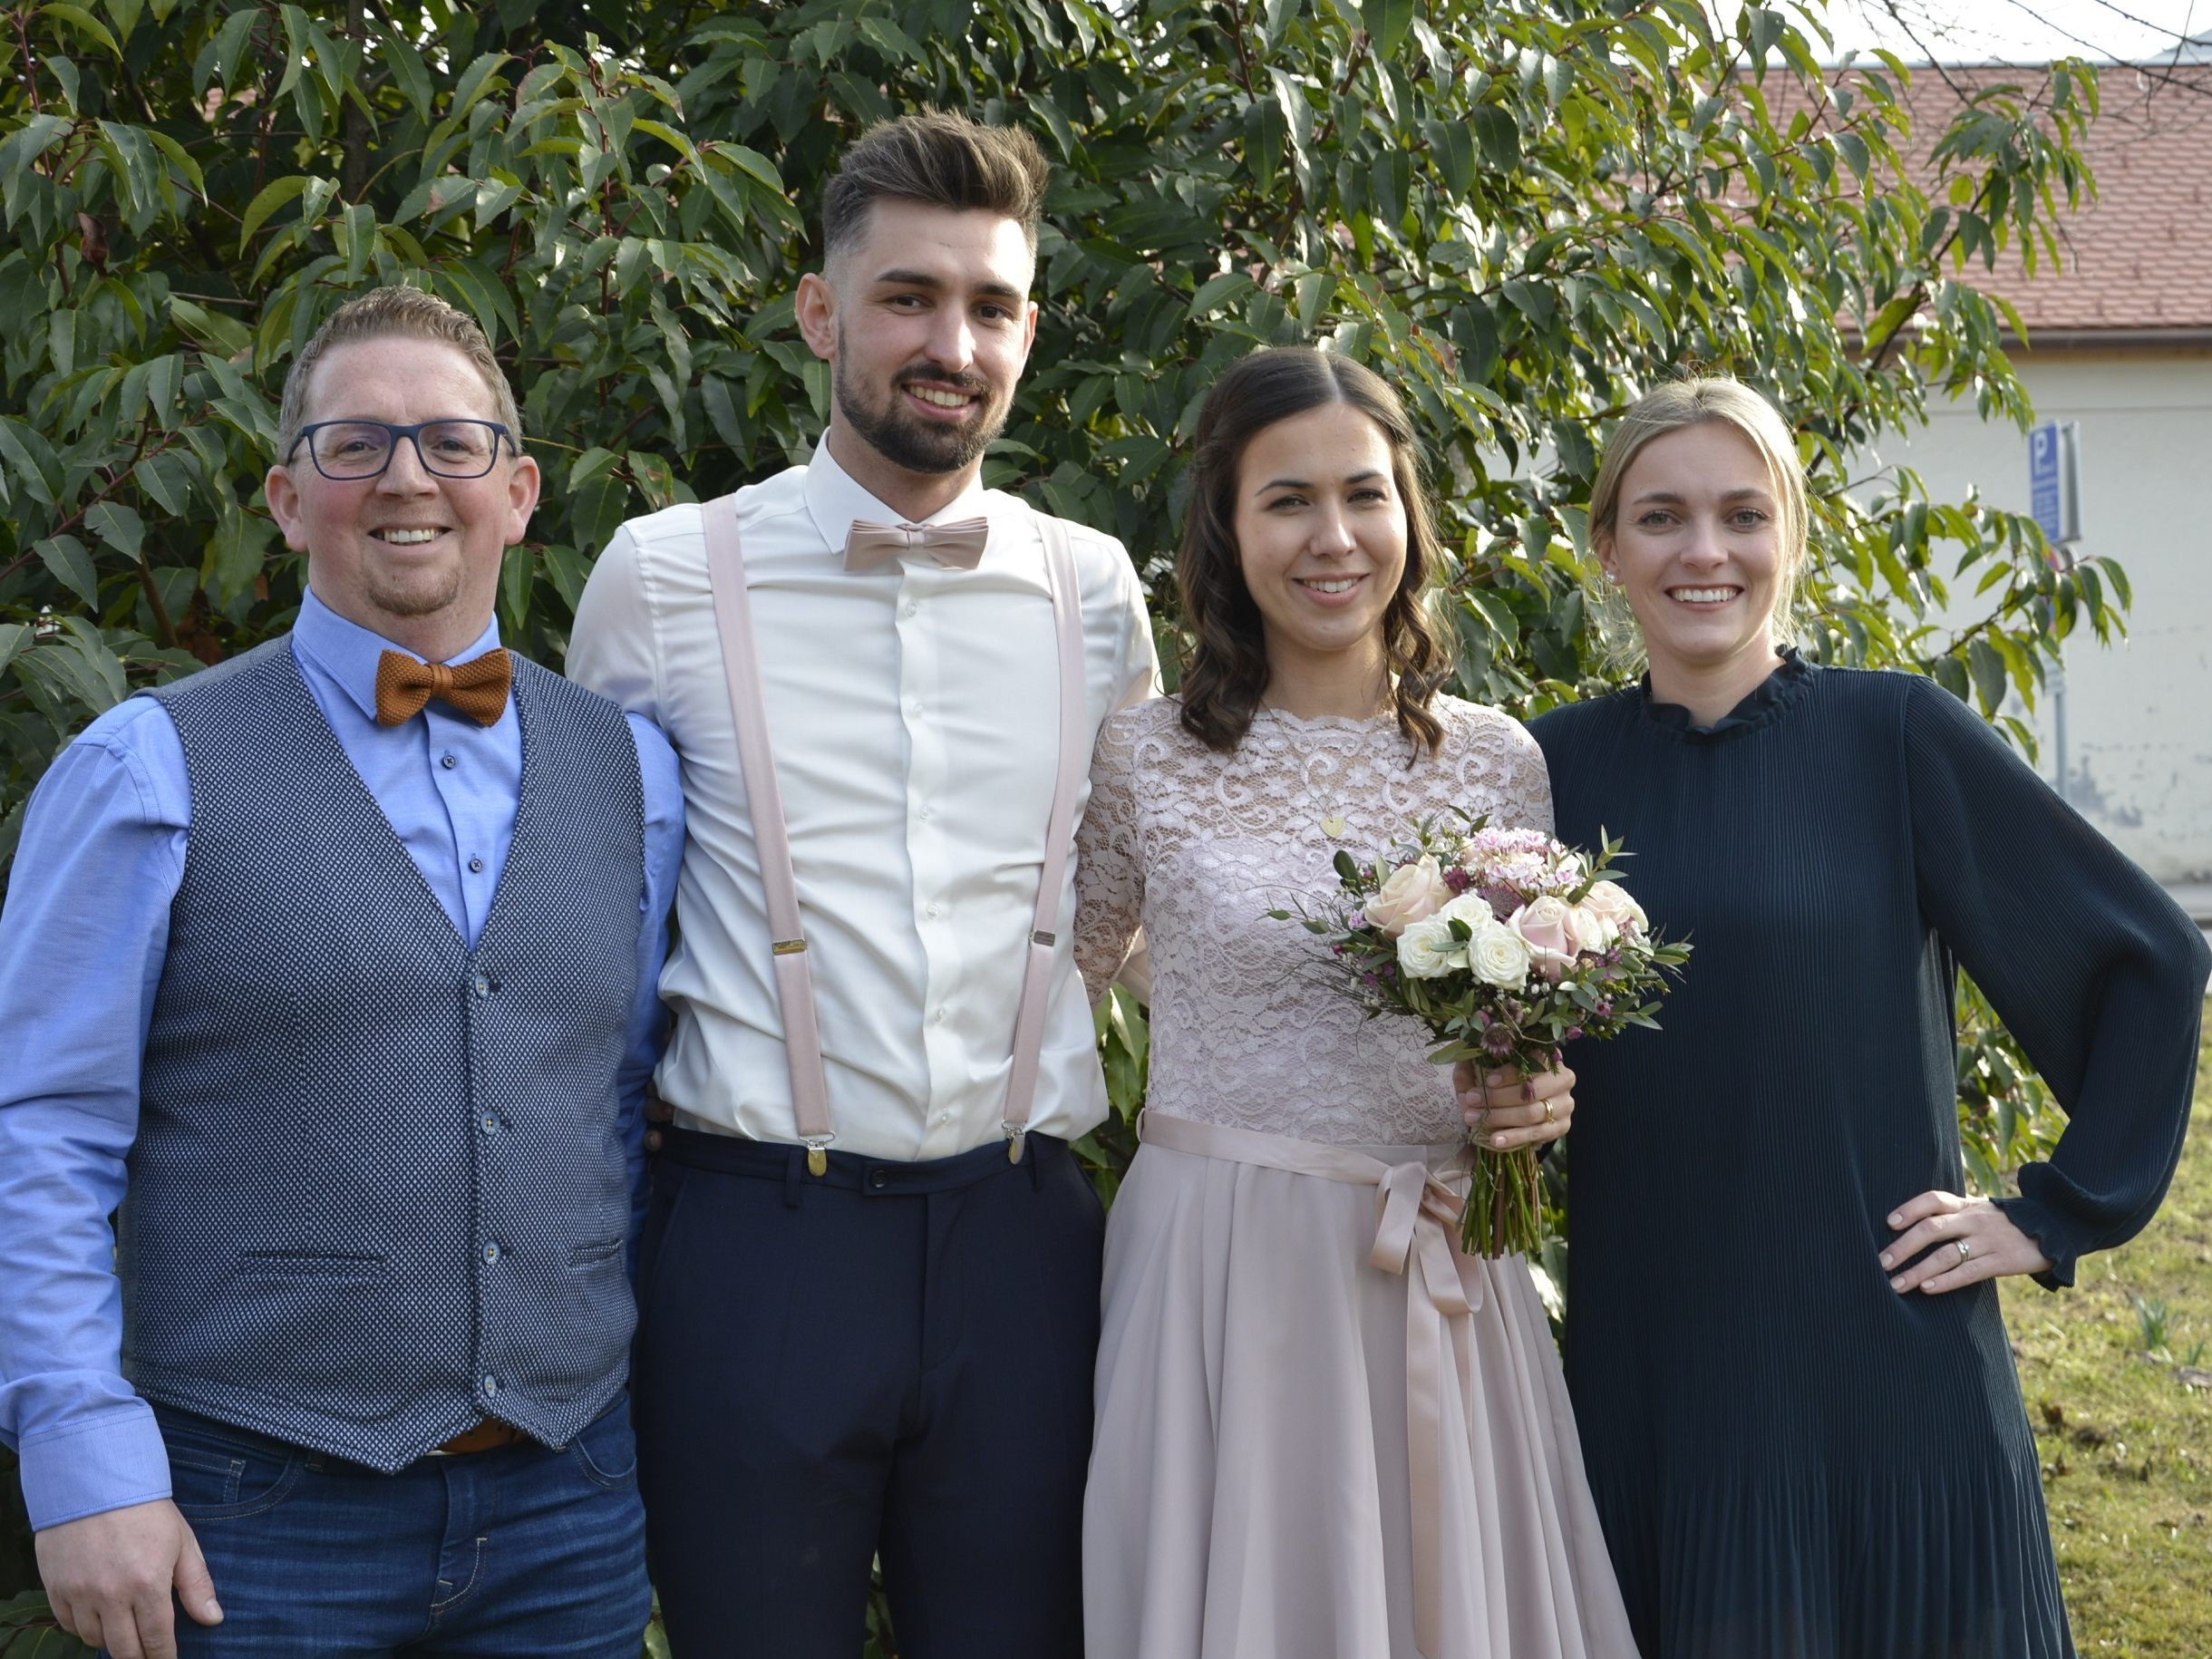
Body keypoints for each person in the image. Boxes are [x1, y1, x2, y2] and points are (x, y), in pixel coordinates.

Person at [0, 285, 684, 1659]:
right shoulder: (147, 768)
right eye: (354, 444)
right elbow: (42, 1133)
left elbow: (612, 1096)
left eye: (451, 440)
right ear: (285, 495)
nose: (407, 476)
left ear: (521, 489)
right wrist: (82, 1458)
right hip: (252, 1506)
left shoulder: (638, 773)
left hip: (571, 1498)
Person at [565, 111, 1157, 1656]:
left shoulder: (1091, 586)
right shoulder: (663, 573)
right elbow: (578, 916)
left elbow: (1150, 897)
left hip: (1025, 1237)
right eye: (907, 297)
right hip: (756, 1235)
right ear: (823, 313)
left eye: (990, 305)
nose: (949, 341)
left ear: (1029, 330)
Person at [1528, 376, 2209, 1658]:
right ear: (1606, 544)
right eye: (1663, 516)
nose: (1705, 552)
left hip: (1887, 1359)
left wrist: (2058, 1208)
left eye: (1742, 513)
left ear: (1791, 531)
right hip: (1658, 1369)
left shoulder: (1894, 736)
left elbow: (2151, 957)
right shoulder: (1549, 767)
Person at [1075, 344, 1640, 1658]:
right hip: (1218, 1261)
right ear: (1226, 527)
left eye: (1364, 494)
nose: (1332, 537)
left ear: (1409, 516)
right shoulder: (1146, 755)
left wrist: (1534, 1096)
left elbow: (1519, 1031)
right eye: (1287, 500)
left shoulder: (1500, 757)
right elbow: (1072, 974)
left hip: (1440, 1250)